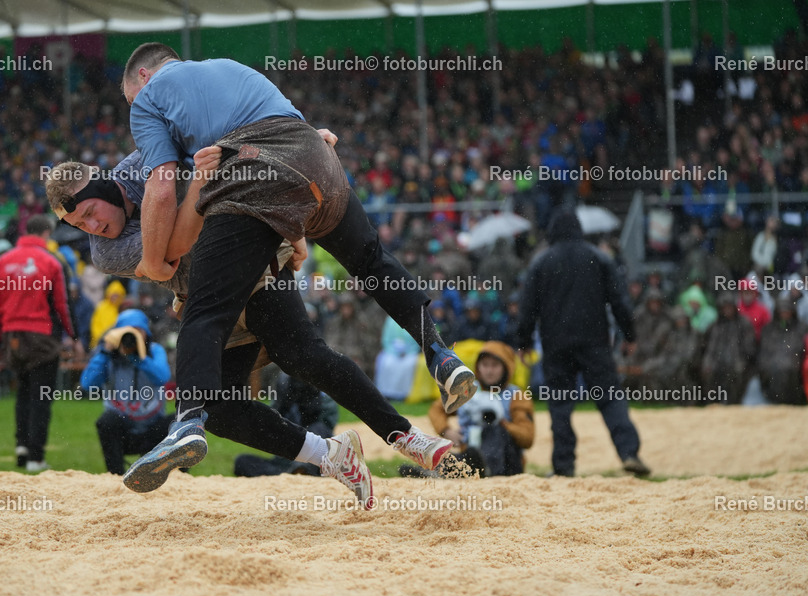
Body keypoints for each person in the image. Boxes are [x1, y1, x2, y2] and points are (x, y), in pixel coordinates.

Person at [117, 43, 476, 481]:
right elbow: (292, 132)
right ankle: (439, 352)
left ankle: (187, 422)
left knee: (205, 312)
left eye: (131, 101)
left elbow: (161, 183)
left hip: (254, 178)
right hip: (315, 156)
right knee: (370, 261)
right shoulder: (231, 67)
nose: (135, 111)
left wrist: (154, 261)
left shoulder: (150, 98)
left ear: (143, 77)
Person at [45, 151, 455, 506]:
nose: (91, 227)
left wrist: (301, 144)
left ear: (104, 187)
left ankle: (405, 436)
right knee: (217, 409)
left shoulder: (150, 159)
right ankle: (330, 455)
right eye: (79, 225)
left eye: (90, 213)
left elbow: (229, 137)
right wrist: (200, 183)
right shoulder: (106, 252)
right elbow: (179, 242)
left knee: (303, 356)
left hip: (255, 268)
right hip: (208, 302)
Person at [517, 207, 650, 477]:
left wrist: (524, 341)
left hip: (556, 344)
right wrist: (630, 336)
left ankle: (564, 465)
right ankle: (629, 452)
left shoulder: (541, 262)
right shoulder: (599, 258)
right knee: (610, 398)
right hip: (594, 342)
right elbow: (620, 302)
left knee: (560, 405)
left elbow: (527, 307)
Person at [0, 214, 79, 472]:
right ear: (47, 233)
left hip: (13, 338)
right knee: (41, 397)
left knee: (23, 392)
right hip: (41, 337)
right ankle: (36, 458)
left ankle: (22, 445)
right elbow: (62, 305)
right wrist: (73, 336)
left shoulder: (3, 262)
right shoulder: (51, 261)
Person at [413, 341, 535, 478]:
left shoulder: (516, 396)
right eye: (485, 365)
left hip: (507, 462)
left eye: (495, 365)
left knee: (494, 430)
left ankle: (475, 469)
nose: (489, 371)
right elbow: (436, 409)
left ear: (506, 368)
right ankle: (439, 469)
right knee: (462, 456)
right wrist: (446, 430)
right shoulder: (468, 390)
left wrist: (502, 423)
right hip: (471, 454)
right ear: (478, 367)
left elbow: (527, 438)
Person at [79, 308, 172, 475]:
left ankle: (177, 477)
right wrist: (105, 352)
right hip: (122, 431)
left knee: (180, 423)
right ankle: (116, 476)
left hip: (154, 431)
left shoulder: (155, 351)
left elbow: (162, 377)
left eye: (137, 332)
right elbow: (88, 384)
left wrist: (139, 358)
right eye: (127, 333)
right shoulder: (107, 356)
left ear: (146, 334)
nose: (132, 338)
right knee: (107, 421)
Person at [701, 292, 757, 405]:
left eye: (729, 307)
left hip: (738, 361)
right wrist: (708, 362)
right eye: (724, 308)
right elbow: (707, 347)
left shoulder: (744, 324)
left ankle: (733, 403)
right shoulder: (715, 325)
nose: (727, 310)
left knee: (736, 372)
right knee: (708, 370)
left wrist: (742, 361)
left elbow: (749, 348)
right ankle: (713, 403)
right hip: (717, 360)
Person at [755, 297, 807, 405]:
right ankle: (774, 400)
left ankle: (793, 401)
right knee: (769, 368)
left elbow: (800, 349)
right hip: (772, 363)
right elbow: (764, 351)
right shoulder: (768, 329)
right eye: (782, 312)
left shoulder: (801, 328)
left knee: (789, 368)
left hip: (794, 364)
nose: (784, 314)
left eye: (787, 311)